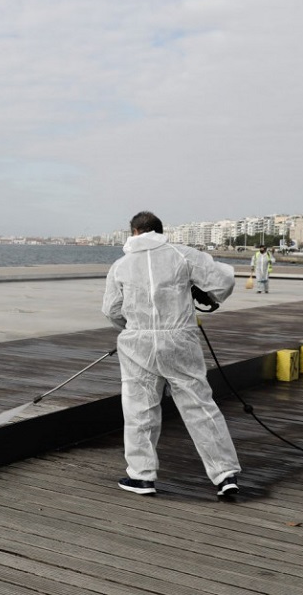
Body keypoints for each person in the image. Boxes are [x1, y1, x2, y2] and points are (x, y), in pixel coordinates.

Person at [102, 211, 241, 497]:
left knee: (140, 408)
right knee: (199, 405)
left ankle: (141, 476)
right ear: (160, 230)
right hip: (180, 340)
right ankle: (225, 474)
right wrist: (205, 294)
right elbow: (224, 281)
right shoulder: (183, 255)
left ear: (135, 232)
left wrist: (132, 328)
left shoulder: (121, 265)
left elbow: (111, 310)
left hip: (138, 342)